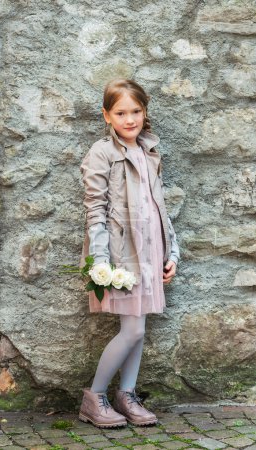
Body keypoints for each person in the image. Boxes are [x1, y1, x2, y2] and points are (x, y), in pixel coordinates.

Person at [78, 79, 180, 428]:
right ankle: (95, 397)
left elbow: (160, 207)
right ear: (106, 115)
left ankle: (127, 394)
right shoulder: (101, 153)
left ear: (144, 112)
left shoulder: (150, 150)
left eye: (136, 111)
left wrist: (173, 253)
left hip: (152, 249)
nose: (130, 118)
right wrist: (101, 262)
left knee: (139, 325)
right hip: (123, 254)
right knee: (133, 330)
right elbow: (95, 209)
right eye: (121, 112)